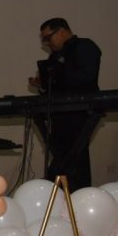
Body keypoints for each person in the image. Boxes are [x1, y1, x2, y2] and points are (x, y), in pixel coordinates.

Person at [26, 18, 102, 189]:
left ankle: (74, 197)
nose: (46, 43)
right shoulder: (54, 57)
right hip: (59, 115)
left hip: (81, 113)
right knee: (62, 157)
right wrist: (42, 84)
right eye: (44, 40)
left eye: (48, 38)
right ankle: (58, 196)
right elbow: (55, 87)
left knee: (74, 159)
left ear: (61, 32)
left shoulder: (85, 46)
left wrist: (54, 77)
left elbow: (85, 77)